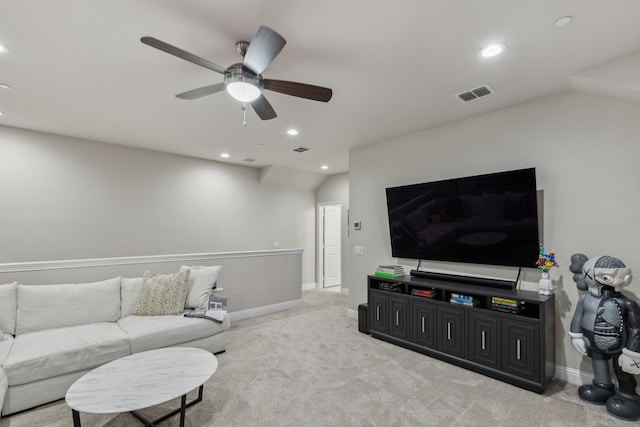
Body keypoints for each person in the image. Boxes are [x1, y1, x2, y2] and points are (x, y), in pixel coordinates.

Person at [569, 254, 640, 420]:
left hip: (619, 345)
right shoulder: (585, 299)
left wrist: (632, 353)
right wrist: (576, 336)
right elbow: (577, 318)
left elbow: (636, 328)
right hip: (593, 343)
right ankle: (602, 387)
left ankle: (627, 396)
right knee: (598, 363)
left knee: (623, 371)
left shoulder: (628, 304)